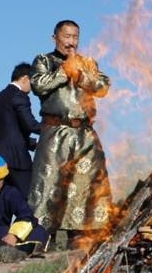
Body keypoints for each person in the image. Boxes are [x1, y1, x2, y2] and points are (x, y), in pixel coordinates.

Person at [28, 20, 112, 246]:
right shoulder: (43, 60)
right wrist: (64, 72)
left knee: (85, 185)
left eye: (75, 37)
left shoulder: (87, 62)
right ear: (55, 37)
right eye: (66, 36)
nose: (71, 42)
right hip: (56, 132)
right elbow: (38, 85)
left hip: (84, 133)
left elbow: (103, 86)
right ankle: (43, 240)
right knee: (50, 184)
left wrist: (81, 74)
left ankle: (80, 241)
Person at [0, 63, 41, 197]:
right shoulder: (20, 96)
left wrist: (34, 144)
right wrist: (54, 128)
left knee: (2, 204)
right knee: (29, 201)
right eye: (33, 81)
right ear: (24, 78)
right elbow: (31, 125)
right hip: (16, 161)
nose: (35, 86)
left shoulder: (0, 97)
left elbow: (9, 130)